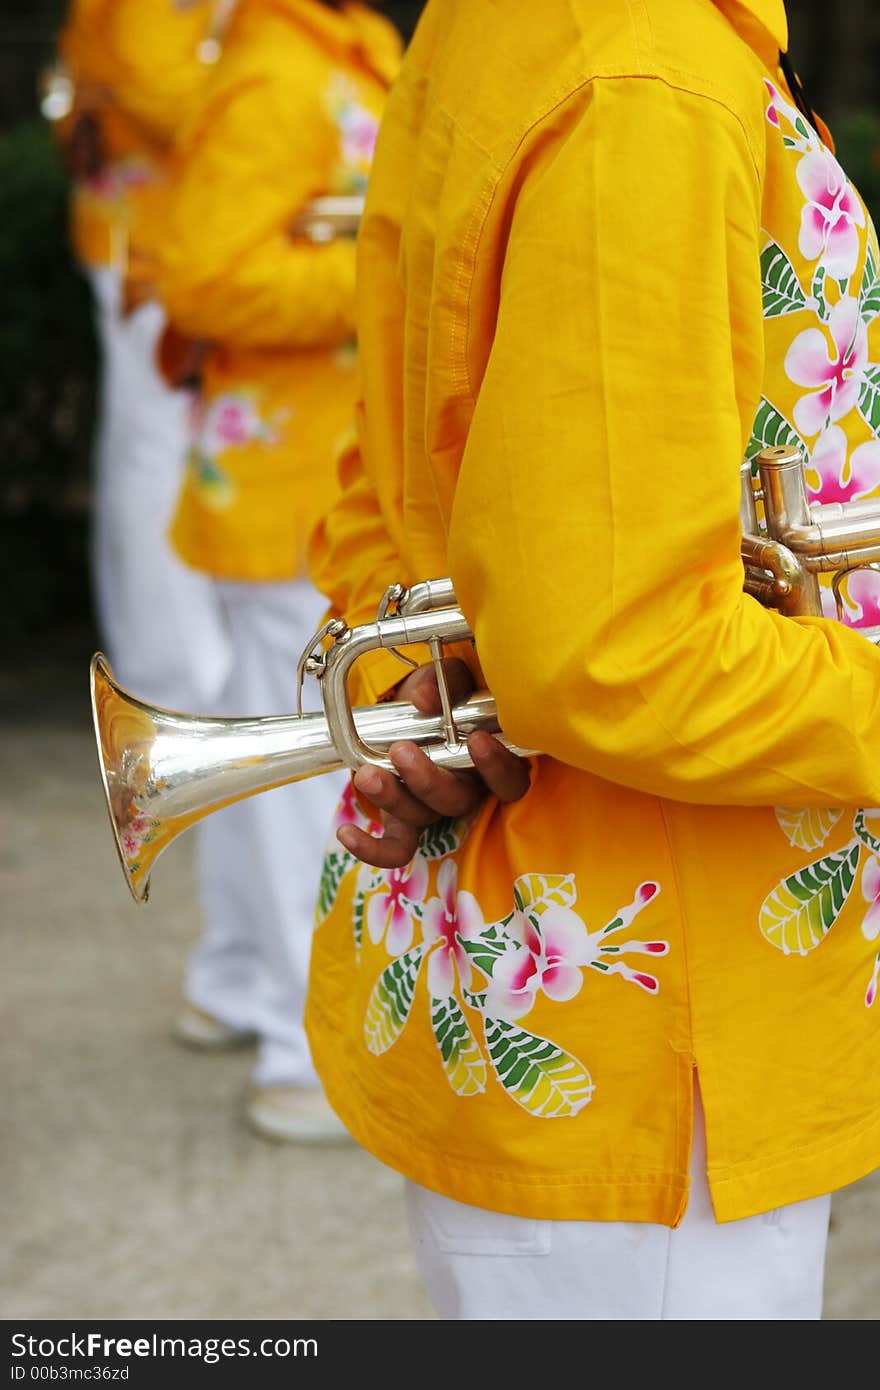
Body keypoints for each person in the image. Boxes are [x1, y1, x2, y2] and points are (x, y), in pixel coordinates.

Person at [305, 0, 880, 1318]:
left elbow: (396, 469)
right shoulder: (645, 74)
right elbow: (621, 654)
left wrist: (414, 692)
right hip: (661, 1034)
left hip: (576, 983)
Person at [150, 0, 402, 1141]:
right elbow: (199, 277)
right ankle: (300, 1054)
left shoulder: (330, 55)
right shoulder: (277, 73)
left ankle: (238, 980)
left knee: (277, 751)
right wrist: (386, 270)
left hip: (302, 476)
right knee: (300, 765)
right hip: (282, 486)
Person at [50, 0, 234, 710]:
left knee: (149, 453)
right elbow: (166, 93)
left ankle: (173, 673)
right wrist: (280, 102)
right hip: (153, 244)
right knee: (155, 457)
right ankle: (175, 680)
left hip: (159, 237)